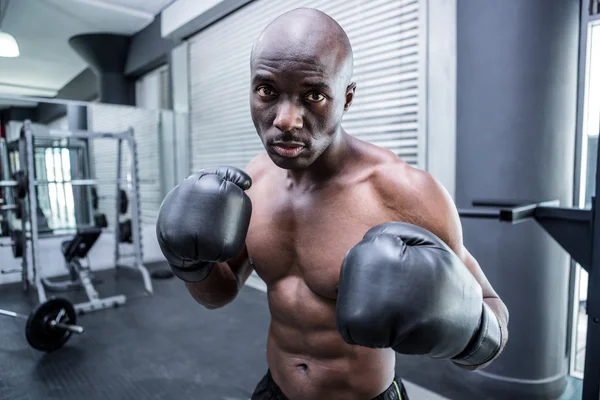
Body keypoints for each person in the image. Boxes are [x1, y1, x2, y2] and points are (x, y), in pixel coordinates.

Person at [156, 8, 509, 400]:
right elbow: (218, 295)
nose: (286, 119)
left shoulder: (405, 194)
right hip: (276, 390)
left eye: (315, 95)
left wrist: (468, 329)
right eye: (268, 91)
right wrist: (189, 263)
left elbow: (492, 314)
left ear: (347, 98)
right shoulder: (252, 183)